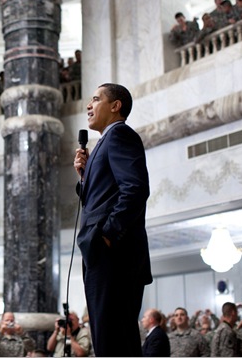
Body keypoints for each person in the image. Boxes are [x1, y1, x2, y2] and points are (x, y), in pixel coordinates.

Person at [73, 83, 152, 357]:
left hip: (113, 254)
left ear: (115, 105)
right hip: (101, 252)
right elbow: (99, 199)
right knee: (107, 339)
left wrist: (107, 235)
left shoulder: (120, 136)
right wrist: (84, 177)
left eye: (96, 99)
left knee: (114, 341)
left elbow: (135, 189)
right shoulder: (102, 143)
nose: (88, 105)